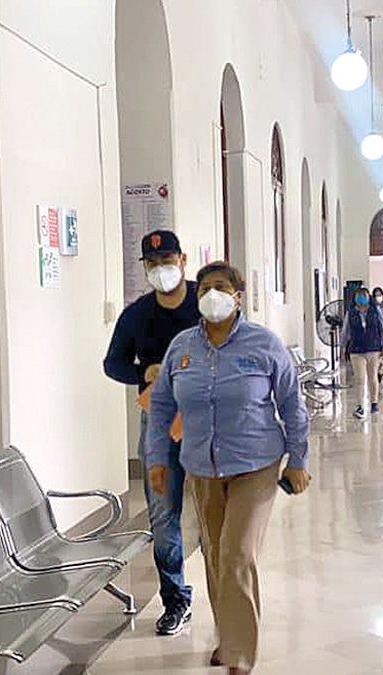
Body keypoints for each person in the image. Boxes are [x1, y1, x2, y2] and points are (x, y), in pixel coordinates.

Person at [147, 262, 311, 675]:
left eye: (221, 287)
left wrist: (299, 460)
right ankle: (229, 635)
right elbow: (162, 404)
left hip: (256, 463)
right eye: (204, 288)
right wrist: (156, 459)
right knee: (216, 556)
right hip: (202, 466)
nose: (212, 295)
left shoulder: (263, 343)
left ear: (238, 297)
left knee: (237, 553)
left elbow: (292, 404)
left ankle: (239, 657)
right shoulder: (182, 346)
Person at [102, 229, 196, 635]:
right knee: (162, 514)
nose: (161, 269)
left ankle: (229, 600)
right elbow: (113, 363)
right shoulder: (137, 314)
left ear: (183, 260)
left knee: (218, 513)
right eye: (152, 264)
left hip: (209, 420)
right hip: (159, 421)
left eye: (167, 261)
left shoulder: (205, 301)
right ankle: (175, 600)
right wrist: (144, 371)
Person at [345, 287, 383, 419]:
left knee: (372, 377)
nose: (361, 299)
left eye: (364, 296)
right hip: (356, 350)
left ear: (369, 298)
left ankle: (374, 403)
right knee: (360, 379)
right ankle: (360, 406)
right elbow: (346, 331)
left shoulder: (375, 311)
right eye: (359, 296)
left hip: (373, 349)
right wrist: (342, 347)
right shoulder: (351, 313)